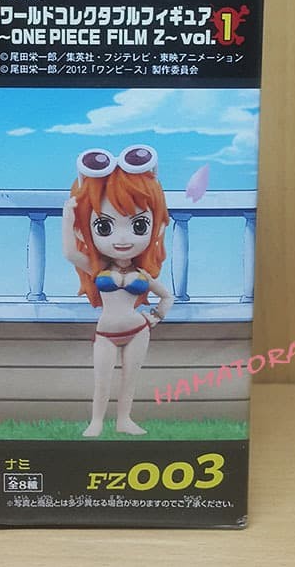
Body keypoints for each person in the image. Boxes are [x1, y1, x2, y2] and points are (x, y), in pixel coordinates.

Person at [62, 145, 174, 437]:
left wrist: (155, 317)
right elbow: (70, 253)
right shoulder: (99, 268)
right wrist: (68, 218)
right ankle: (96, 422)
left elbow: (167, 296)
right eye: (104, 226)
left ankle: (124, 420)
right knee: (102, 380)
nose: (122, 239)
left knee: (129, 380)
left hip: (138, 330)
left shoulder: (142, 274)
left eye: (139, 225)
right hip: (105, 334)